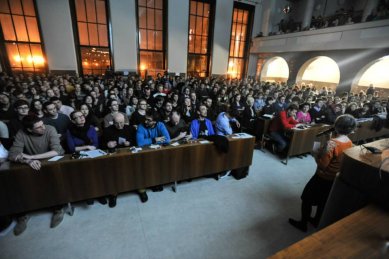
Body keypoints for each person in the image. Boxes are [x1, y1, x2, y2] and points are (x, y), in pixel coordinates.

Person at [289, 114, 356, 232]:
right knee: (323, 201)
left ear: (336, 126)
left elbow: (322, 165)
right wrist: (327, 143)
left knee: (306, 197)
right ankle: (316, 220)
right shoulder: (349, 142)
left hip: (323, 177)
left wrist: (315, 154)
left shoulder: (332, 143)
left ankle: (303, 224)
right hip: (334, 178)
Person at [8, 115, 65, 235]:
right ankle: (23, 215)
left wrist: (31, 157)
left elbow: (56, 151)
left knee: (55, 179)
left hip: (52, 160)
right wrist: (27, 160)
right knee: (16, 182)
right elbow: (13, 153)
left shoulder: (50, 129)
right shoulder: (21, 133)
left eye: (42, 124)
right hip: (32, 163)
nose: (43, 128)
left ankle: (59, 209)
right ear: (29, 130)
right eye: (39, 127)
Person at [136, 111, 171, 202]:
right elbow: (140, 143)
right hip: (143, 153)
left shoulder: (160, 125)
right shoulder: (141, 126)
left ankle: (154, 183)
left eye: (148, 120)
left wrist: (149, 141)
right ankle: (142, 189)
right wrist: (154, 139)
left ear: (155, 122)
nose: (145, 121)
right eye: (145, 119)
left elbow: (167, 140)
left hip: (155, 152)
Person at [102, 113, 134, 207]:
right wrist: (107, 145)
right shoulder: (107, 130)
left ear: (125, 121)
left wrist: (130, 143)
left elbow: (136, 142)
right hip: (113, 157)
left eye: (121, 123)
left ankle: (139, 188)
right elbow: (101, 145)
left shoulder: (130, 128)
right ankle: (113, 194)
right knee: (111, 173)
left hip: (128, 155)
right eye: (117, 123)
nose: (119, 126)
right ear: (113, 122)